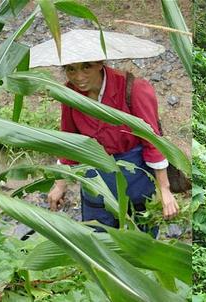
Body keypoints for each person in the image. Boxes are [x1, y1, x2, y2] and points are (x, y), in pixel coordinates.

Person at [46, 61, 179, 230]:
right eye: (71, 70)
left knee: (140, 237)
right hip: (96, 178)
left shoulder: (133, 89)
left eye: (86, 67)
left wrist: (164, 190)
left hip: (135, 175)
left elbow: (152, 141)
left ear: (100, 64)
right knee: (98, 237)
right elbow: (70, 141)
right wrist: (60, 184)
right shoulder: (70, 94)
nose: (78, 77)